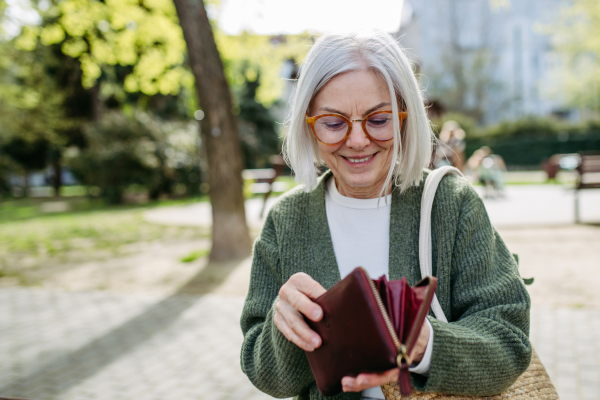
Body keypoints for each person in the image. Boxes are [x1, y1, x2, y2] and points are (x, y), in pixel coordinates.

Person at [240, 31, 531, 400]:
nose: (358, 140)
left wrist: (425, 345)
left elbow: (509, 343)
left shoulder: (451, 204)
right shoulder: (285, 221)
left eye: (379, 119)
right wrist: (286, 333)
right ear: (308, 126)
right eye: (333, 122)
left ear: (405, 118)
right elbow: (262, 372)